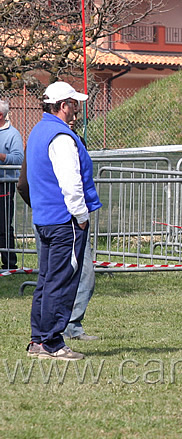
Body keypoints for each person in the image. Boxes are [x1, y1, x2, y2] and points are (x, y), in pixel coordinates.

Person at [25, 81, 102, 361]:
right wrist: (81, 216)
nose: (76, 108)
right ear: (62, 106)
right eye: (73, 103)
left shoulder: (38, 131)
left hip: (44, 217)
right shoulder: (61, 136)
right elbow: (71, 183)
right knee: (62, 281)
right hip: (64, 220)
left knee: (46, 280)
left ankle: (39, 339)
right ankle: (53, 342)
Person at [0, 99, 24, 270]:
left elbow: (18, 159)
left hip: (4, 185)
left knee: (3, 224)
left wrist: (1, 156)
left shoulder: (13, 134)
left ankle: (9, 263)